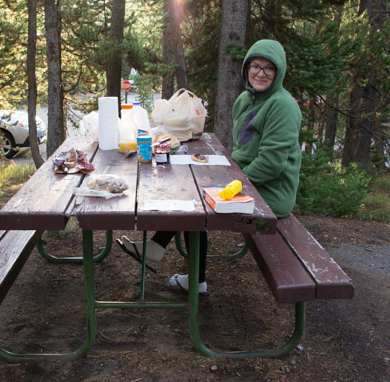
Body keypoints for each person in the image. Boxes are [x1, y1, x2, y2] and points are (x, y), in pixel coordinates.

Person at [119, 39, 302, 295]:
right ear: (247, 69)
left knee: (196, 200)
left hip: (269, 193)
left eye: (269, 68)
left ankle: (194, 279)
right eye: (255, 66)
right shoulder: (246, 100)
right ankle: (159, 247)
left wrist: (227, 186)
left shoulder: (281, 105)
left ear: (279, 71)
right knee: (189, 185)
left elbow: (270, 165)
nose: (261, 73)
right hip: (247, 181)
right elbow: (244, 151)